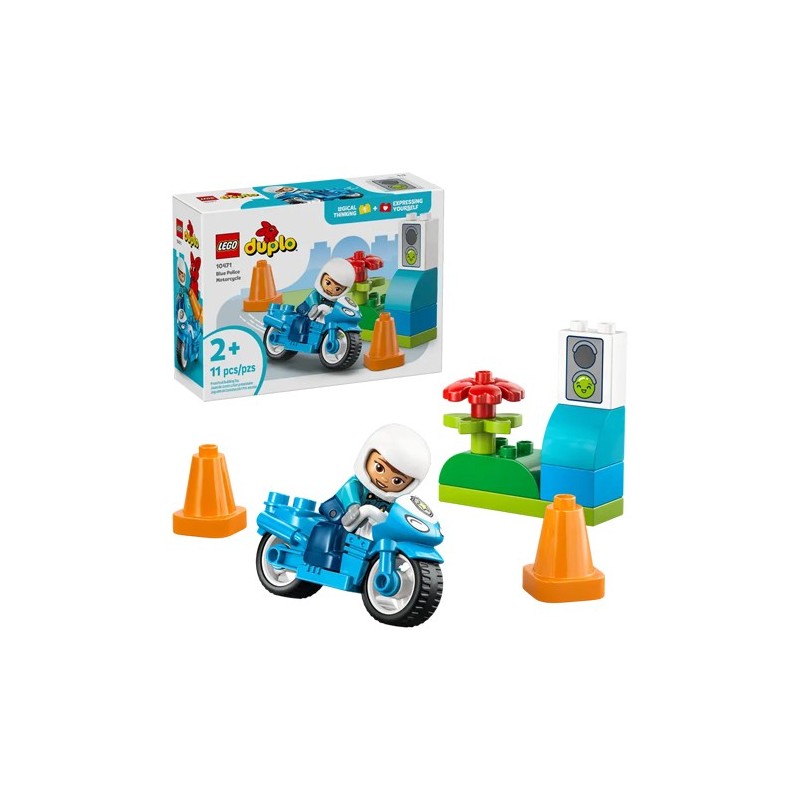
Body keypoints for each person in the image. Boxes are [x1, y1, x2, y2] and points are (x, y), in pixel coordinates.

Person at [290, 257, 355, 341]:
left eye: (337, 289)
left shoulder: (334, 301)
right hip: (306, 310)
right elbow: (313, 302)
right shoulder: (315, 294)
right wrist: (314, 307)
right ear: (321, 277)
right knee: (302, 321)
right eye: (328, 283)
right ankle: (298, 337)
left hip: (322, 315)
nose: (331, 289)